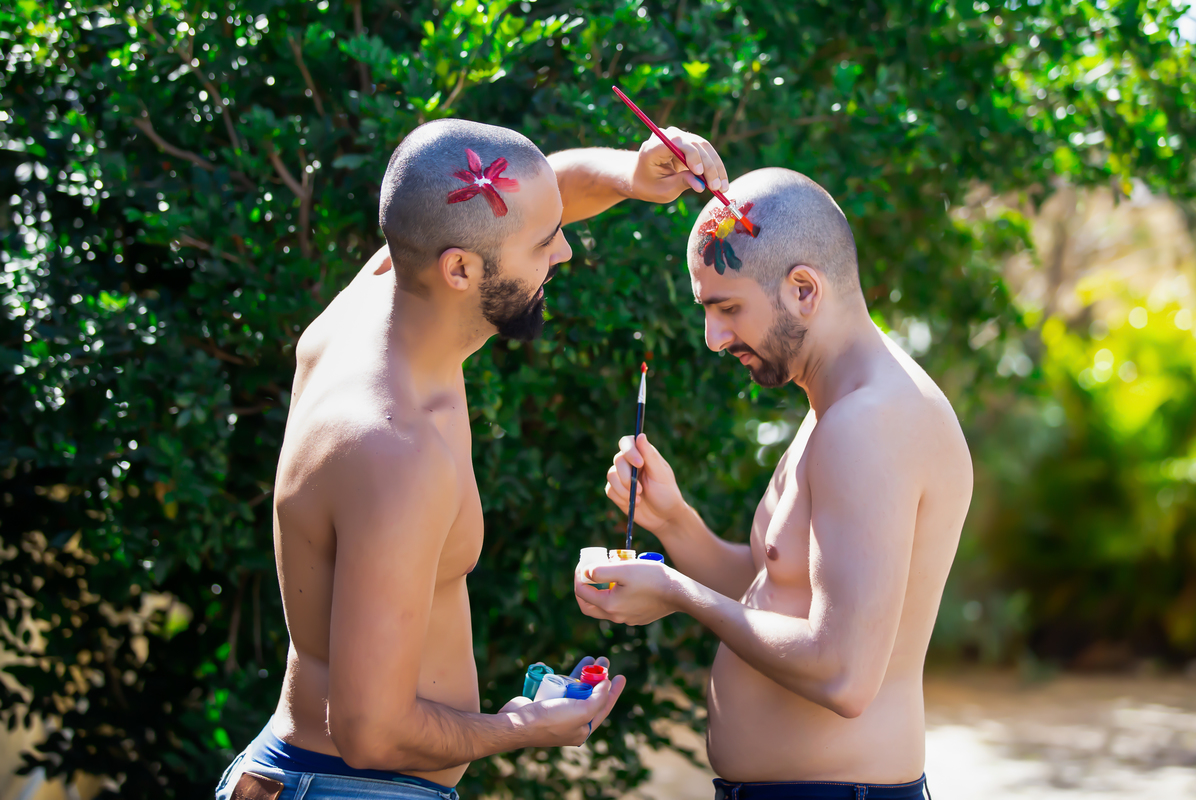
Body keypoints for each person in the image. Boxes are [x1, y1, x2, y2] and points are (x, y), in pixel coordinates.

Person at [215, 118, 732, 800]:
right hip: (351, 784)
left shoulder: (380, 296)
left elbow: (517, 201)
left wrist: (628, 176)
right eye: (546, 243)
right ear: (460, 269)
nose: (567, 252)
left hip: (317, 775)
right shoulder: (393, 449)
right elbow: (370, 730)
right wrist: (523, 726)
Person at [576, 168, 971, 800]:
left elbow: (844, 675)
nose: (715, 339)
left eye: (728, 309)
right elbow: (778, 595)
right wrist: (675, 521)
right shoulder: (834, 408)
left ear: (804, 289)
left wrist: (675, 592)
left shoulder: (867, 425)